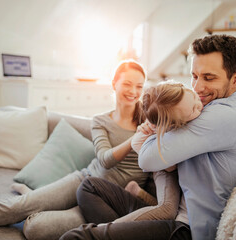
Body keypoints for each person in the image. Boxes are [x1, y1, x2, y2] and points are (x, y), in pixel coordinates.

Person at [60, 34, 236, 240]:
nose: (198, 87)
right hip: (174, 214)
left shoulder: (224, 115)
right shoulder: (208, 109)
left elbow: (148, 158)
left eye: (208, 78)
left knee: (76, 237)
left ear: (235, 79)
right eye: (194, 76)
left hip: (185, 228)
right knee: (90, 187)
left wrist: (152, 129)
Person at [0, 60, 150, 240]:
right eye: (127, 84)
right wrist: (134, 139)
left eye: (139, 86)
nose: (133, 91)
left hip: (103, 203)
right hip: (85, 179)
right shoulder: (100, 121)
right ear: (114, 84)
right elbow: (105, 159)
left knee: (36, 230)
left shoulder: (150, 122)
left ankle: (33, 196)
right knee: (17, 207)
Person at [75, 81, 203, 225]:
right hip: (160, 164)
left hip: (161, 159)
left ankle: (138, 196)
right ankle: (109, 229)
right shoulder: (150, 130)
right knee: (167, 209)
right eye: (193, 110)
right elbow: (169, 167)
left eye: (195, 98)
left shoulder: (188, 108)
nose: (199, 106)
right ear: (171, 125)